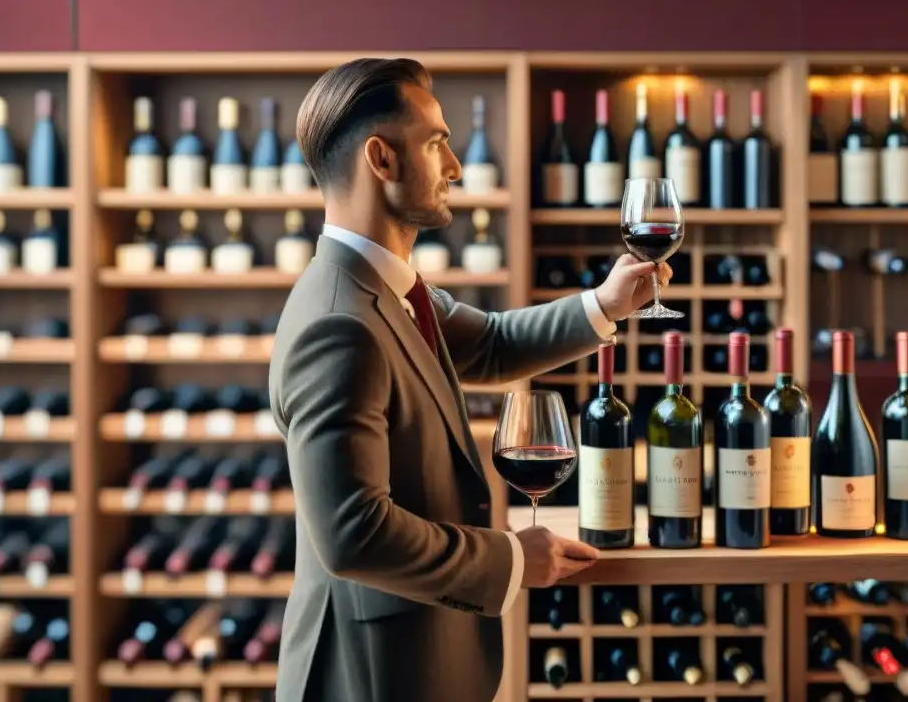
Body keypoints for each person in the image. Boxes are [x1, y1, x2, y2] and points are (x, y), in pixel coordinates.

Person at [268, 58, 673, 702]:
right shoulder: (339, 323)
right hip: (372, 675)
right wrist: (512, 558)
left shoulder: (389, 289)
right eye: (437, 143)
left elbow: (488, 346)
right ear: (382, 159)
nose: (455, 167)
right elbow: (354, 534)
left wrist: (606, 302)